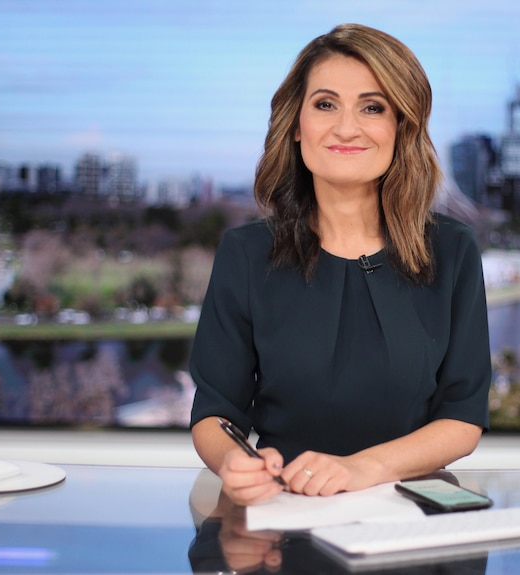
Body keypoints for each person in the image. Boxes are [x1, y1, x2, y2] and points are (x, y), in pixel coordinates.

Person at [189, 23, 491, 506]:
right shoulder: (245, 254)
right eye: (325, 104)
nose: (346, 127)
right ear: (295, 124)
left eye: (373, 107)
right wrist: (234, 463)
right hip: (283, 510)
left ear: (401, 127)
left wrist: (361, 469)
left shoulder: (453, 251)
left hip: (412, 514)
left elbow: (462, 417)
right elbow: (215, 411)